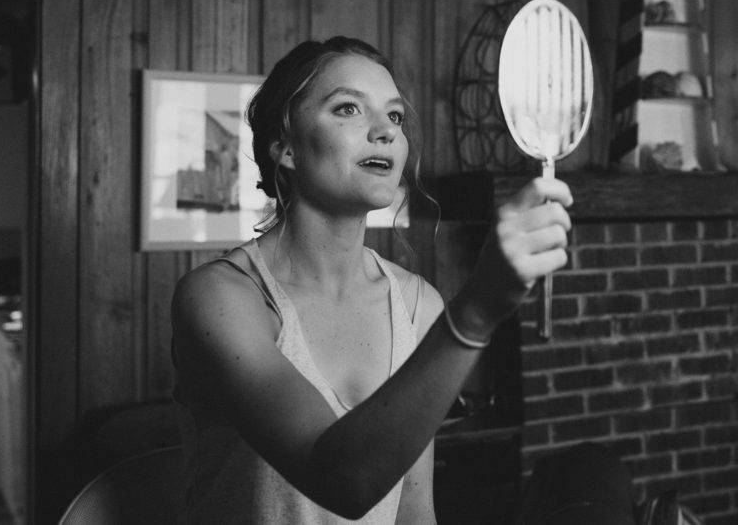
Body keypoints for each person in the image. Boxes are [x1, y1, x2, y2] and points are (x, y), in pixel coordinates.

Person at [171, 37, 573, 524]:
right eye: (348, 109)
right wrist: (476, 310)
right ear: (286, 148)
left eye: (396, 116)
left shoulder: (416, 304)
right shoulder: (223, 297)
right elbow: (340, 480)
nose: (385, 131)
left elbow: (414, 512)